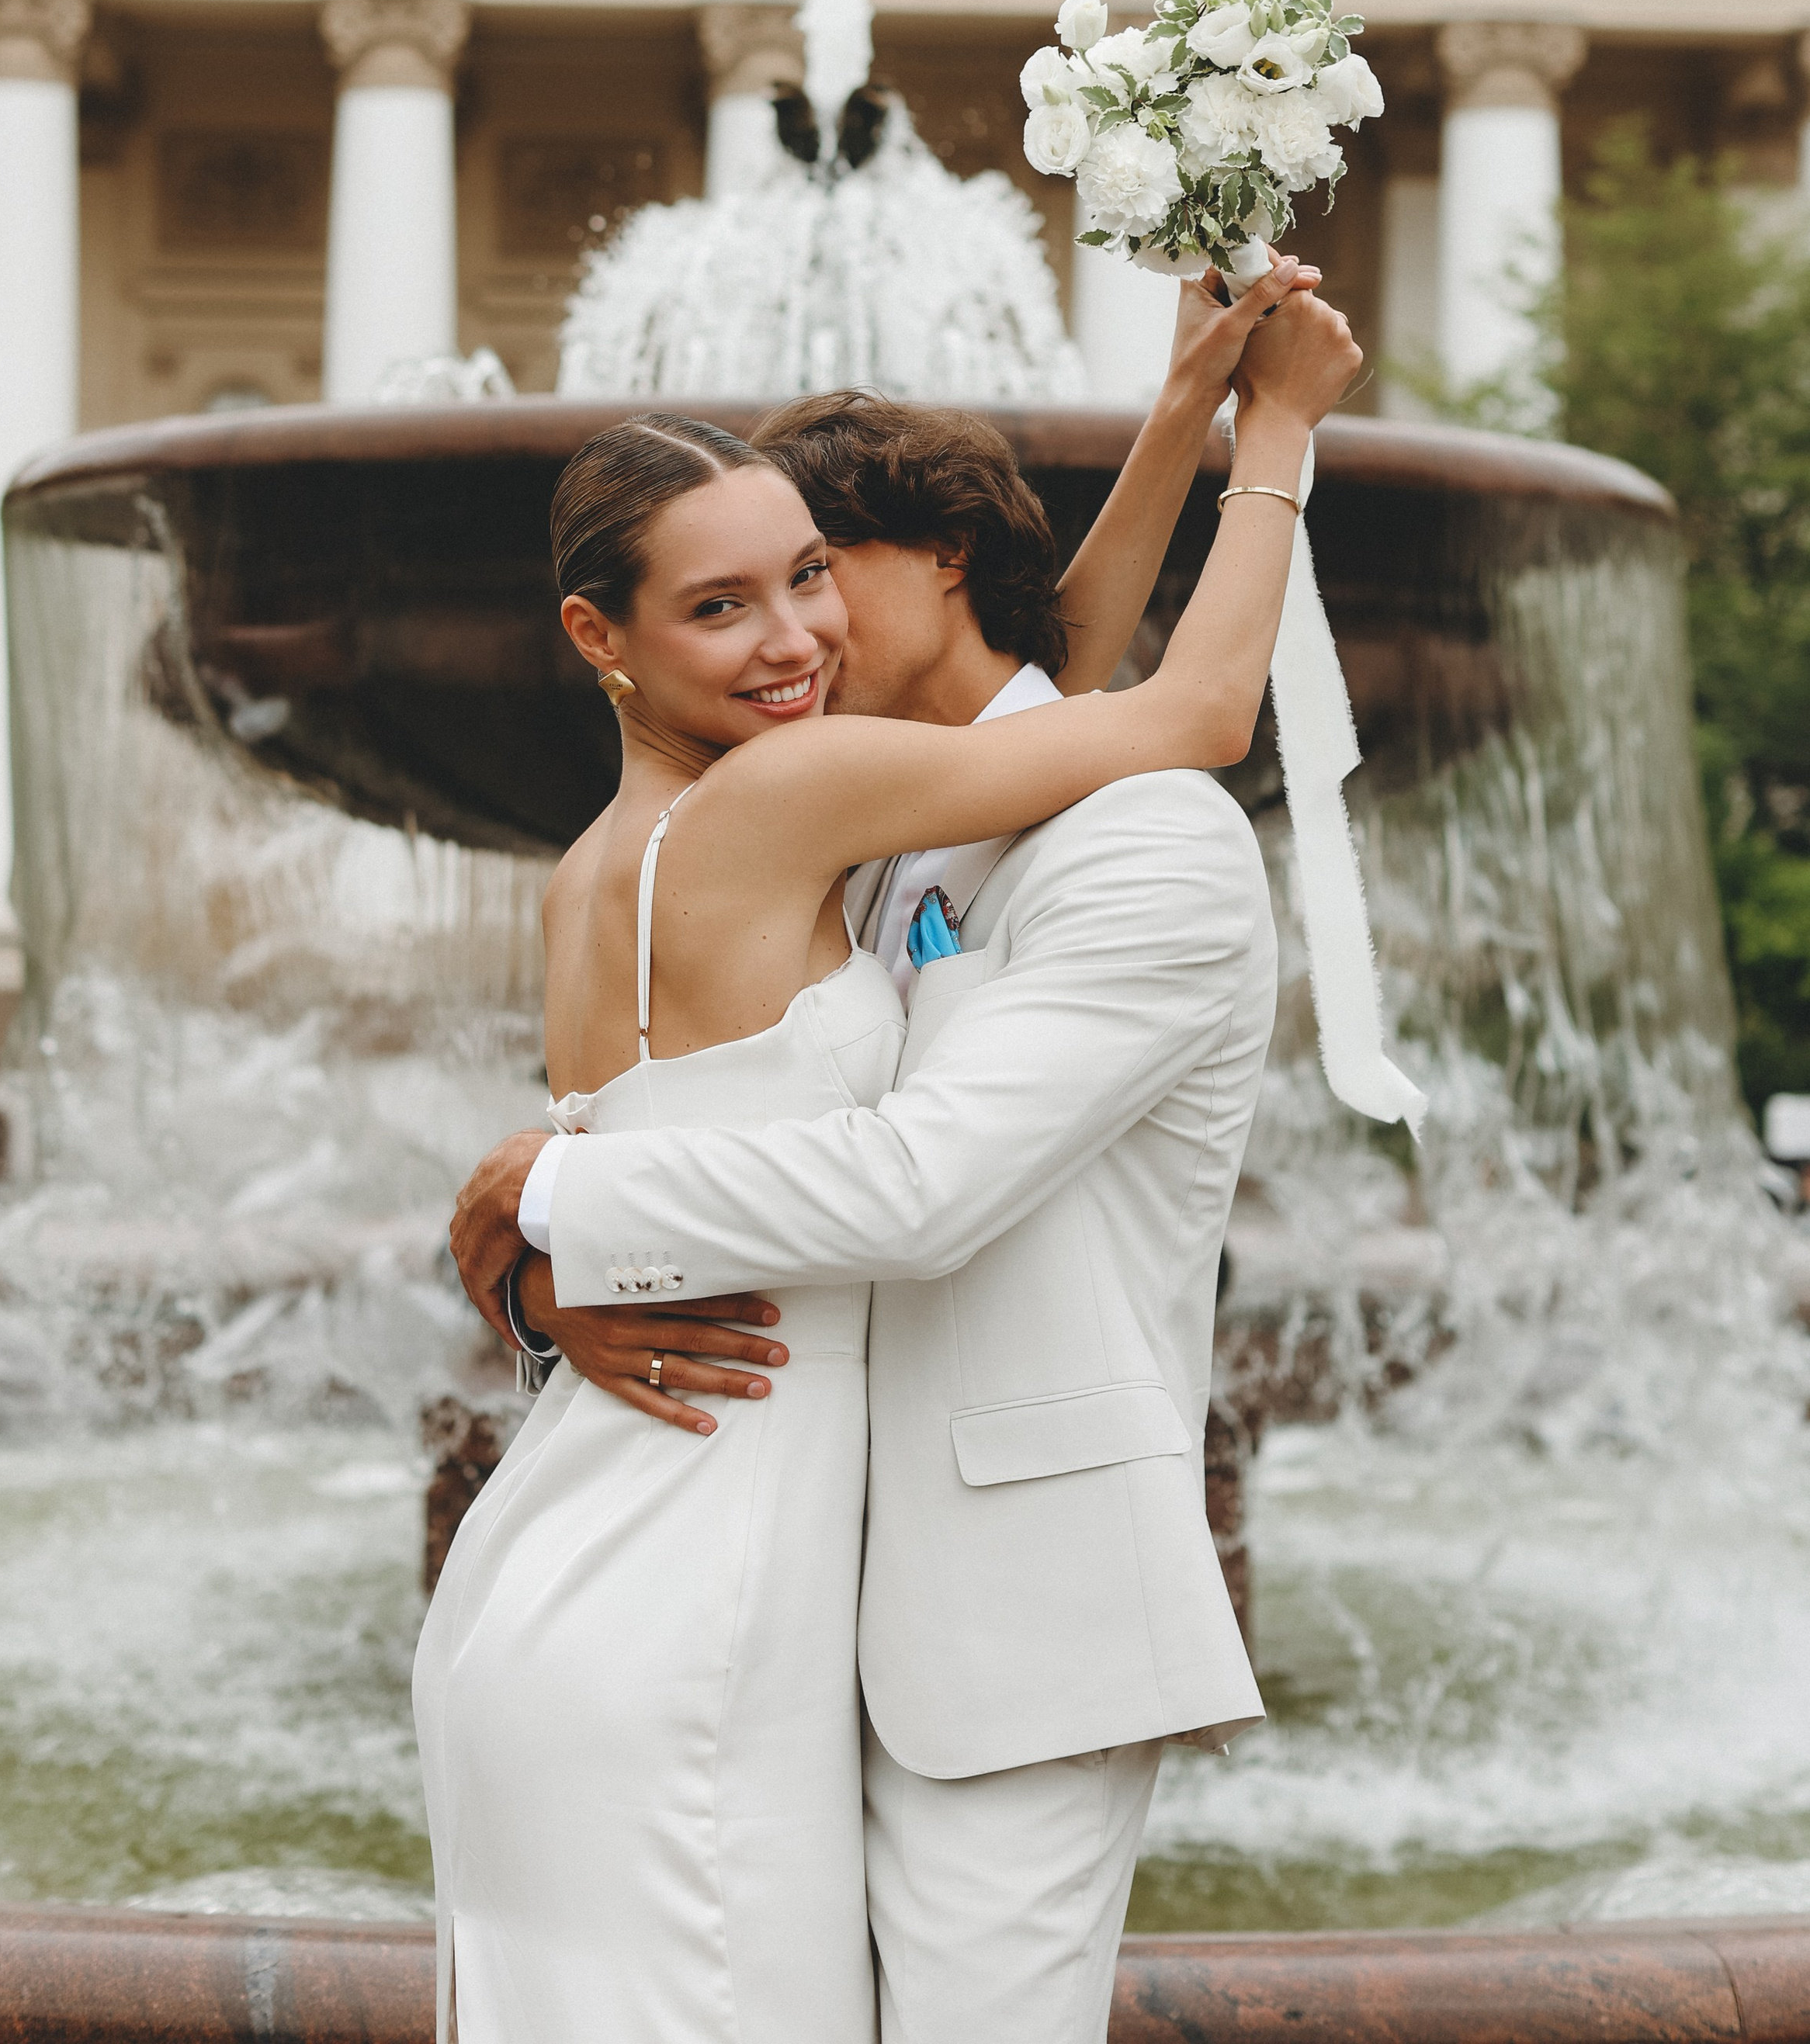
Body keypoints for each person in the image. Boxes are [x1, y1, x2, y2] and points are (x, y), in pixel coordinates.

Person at [421, 266, 1359, 2044]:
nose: (796, 635)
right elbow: (1066, 683)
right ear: (605, 632)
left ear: (929, 567)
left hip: (973, 1616)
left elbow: (1075, 682)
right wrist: (551, 1259)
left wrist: (550, 1199)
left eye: (807, 574)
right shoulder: (827, 812)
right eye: (732, 597)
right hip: (748, 1567)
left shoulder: (1059, 836)